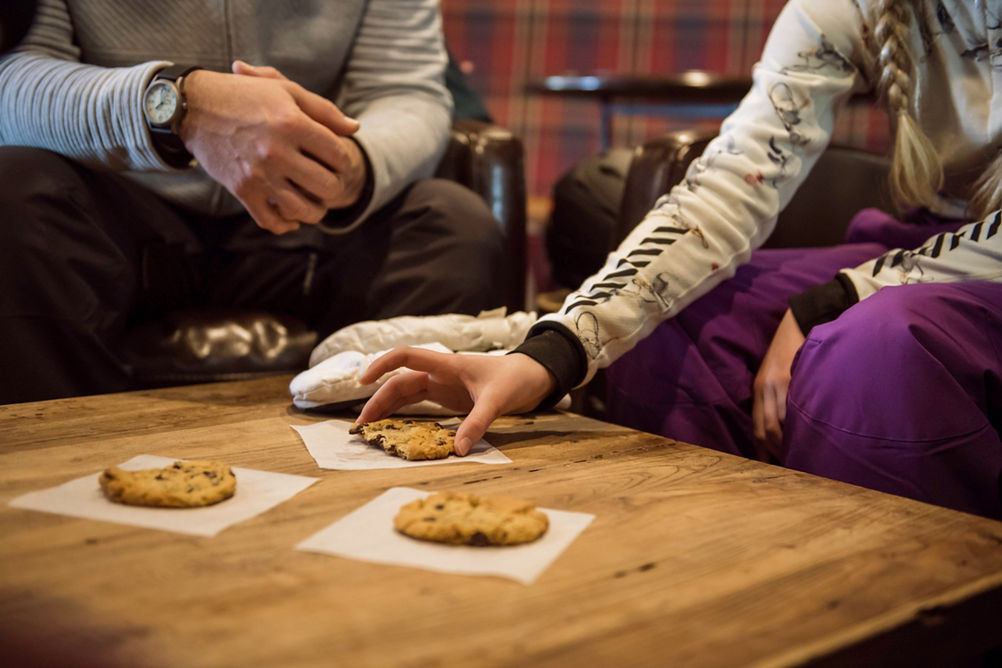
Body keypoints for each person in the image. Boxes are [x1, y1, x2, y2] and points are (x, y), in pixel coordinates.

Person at [357, 0, 1002, 519]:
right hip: (935, 233)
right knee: (679, 324)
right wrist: (547, 355)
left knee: (877, 350)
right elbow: (727, 188)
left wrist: (832, 301)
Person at [0, 0, 506, 404]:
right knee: (13, 190)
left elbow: (404, 90)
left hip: (305, 219)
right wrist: (180, 105)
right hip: (115, 206)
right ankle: (67, 471)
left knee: (451, 222)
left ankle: (383, 478)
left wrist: (348, 167)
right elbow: (13, 80)